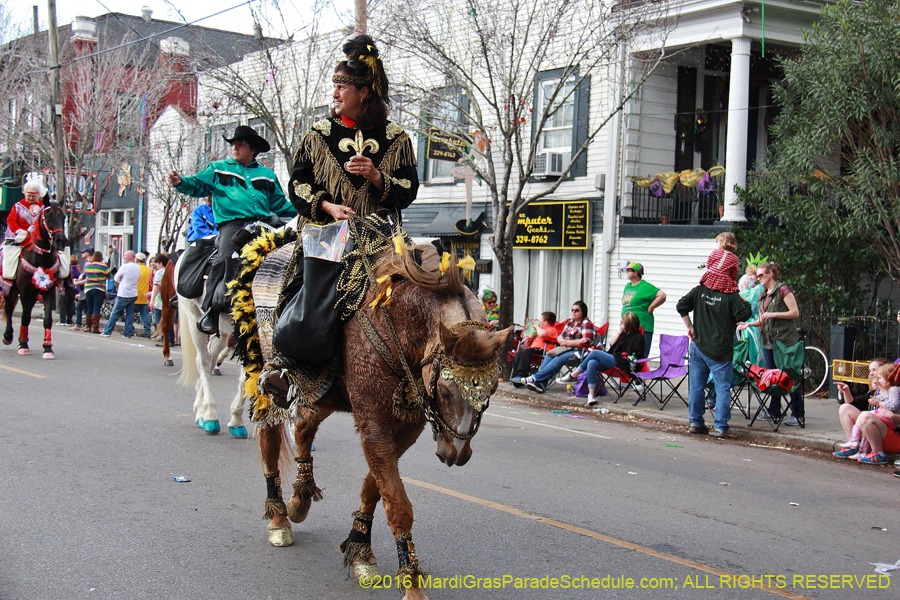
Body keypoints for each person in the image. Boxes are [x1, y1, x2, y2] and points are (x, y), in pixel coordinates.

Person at [261, 35, 420, 395]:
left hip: (379, 234)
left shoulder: (397, 139)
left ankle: (424, 370)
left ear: (364, 92)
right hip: (326, 233)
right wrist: (327, 207)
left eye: (341, 86)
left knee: (422, 279)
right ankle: (287, 364)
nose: (334, 93)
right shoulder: (318, 134)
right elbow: (298, 184)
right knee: (311, 286)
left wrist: (378, 177)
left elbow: (409, 190)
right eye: (334, 86)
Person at [168, 125, 295, 336]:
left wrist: (311, 209)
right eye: (233, 144)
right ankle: (211, 310)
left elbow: (281, 205)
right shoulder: (217, 169)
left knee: (288, 253)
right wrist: (180, 182)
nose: (234, 148)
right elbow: (197, 185)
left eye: (240, 144)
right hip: (232, 225)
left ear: (253, 149)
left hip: (264, 223)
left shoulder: (267, 175)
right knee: (225, 255)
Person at [678, 272, 752, 438]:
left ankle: (696, 422)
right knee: (722, 387)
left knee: (697, 386)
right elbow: (744, 316)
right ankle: (720, 425)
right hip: (720, 349)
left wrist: (689, 326)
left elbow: (681, 305)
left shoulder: (699, 291)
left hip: (698, 346)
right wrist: (745, 303)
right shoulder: (731, 296)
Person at [736, 261, 804, 426]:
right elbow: (762, 318)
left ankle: (798, 413)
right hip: (768, 340)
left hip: (785, 341)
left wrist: (774, 314)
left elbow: (795, 312)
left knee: (788, 375)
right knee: (772, 376)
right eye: (757, 275)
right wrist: (748, 324)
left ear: (770, 274)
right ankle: (774, 410)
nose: (758, 278)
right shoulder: (763, 294)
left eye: (761, 275)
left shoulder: (783, 290)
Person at [557, 312, 645, 407]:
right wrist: (619, 332)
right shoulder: (623, 335)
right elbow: (612, 344)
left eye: (622, 322)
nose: (620, 324)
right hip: (614, 360)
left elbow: (637, 356)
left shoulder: (638, 337)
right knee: (592, 362)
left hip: (624, 364)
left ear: (629, 324)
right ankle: (591, 395)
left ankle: (573, 375)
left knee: (595, 353)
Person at [522, 301, 594, 394]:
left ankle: (535, 378)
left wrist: (570, 343)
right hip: (565, 349)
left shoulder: (586, 324)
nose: (573, 312)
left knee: (558, 358)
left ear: (583, 312)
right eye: (572, 310)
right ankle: (541, 385)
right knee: (549, 355)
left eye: (576, 310)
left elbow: (587, 340)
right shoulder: (570, 322)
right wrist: (560, 340)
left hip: (579, 352)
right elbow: (560, 336)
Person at [833, 363, 900, 460]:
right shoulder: (878, 393)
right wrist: (846, 391)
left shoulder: (895, 391)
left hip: (895, 435)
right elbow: (854, 404)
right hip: (880, 431)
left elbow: (893, 406)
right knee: (845, 408)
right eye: (871, 371)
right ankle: (854, 446)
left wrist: (892, 416)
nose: (873, 375)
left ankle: (878, 453)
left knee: (865, 416)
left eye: (876, 371)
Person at [2, 176, 46, 282]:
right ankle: (6, 278)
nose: (30, 198)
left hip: (39, 238)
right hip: (20, 237)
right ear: (25, 193)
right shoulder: (17, 206)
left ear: (38, 195)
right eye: (28, 195)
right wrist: (19, 231)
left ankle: (66, 281)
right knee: (6, 255)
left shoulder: (44, 206)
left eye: (33, 196)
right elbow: (11, 220)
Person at [621, 262, 666, 358]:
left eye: (629, 270)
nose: (626, 272)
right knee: (625, 354)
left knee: (640, 355)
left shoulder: (645, 286)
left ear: (635, 273)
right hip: (628, 325)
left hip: (642, 326)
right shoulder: (627, 286)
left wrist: (650, 307)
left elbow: (661, 295)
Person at [509, 312, 558, 385]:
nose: (539, 321)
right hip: (534, 349)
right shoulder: (542, 329)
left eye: (541, 319)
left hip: (543, 350)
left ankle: (522, 375)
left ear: (545, 322)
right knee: (518, 355)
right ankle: (516, 376)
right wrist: (531, 337)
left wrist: (537, 327)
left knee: (527, 352)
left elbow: (542, 334)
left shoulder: (551, 329)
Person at [101, 250, 141, 338]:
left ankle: (107, 331)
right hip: (133, 293)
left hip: (124, 293)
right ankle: (128, 333)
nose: (124, 257)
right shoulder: (138, 267)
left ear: (131, 257)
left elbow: (116, 277)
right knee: (129, 313)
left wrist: (120, 281)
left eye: (125, 255)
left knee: (115, 313)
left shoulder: (125, 266)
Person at [82, 251, 110, 334]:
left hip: (88, 288)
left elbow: (86, 275)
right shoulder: (104, 266)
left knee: (89, 307)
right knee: (96, 307)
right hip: (99, 289)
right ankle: (95, 327)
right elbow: (110, 276)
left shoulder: (87, 266)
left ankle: (88, 326)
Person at [133, 252, 153, 338]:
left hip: (136, 294)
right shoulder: (149, 270)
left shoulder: (136, 269)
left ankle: (129, 329)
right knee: (145, 314)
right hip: (145, 295)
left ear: (136, 260)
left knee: (130, 313)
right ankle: (147, 330)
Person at [70, 248, 91, 331]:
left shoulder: (89, 263)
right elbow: (83, 275)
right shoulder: (86, 263)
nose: (82, 254)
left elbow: (88, 277)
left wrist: (78, 283)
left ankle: (79, 324)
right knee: (86, 307)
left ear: (88, 254)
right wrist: (78, 280)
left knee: (79, 307)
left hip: (86, 287)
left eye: (83, 252)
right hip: (83, 287)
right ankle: (88, 325)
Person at [58, 254, 80, 326]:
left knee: (63, 304)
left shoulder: (67, 268)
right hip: (73, 288)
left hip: (65, 288)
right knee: (70, 304)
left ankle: (62, 320)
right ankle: (69, 320)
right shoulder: (76, 270)